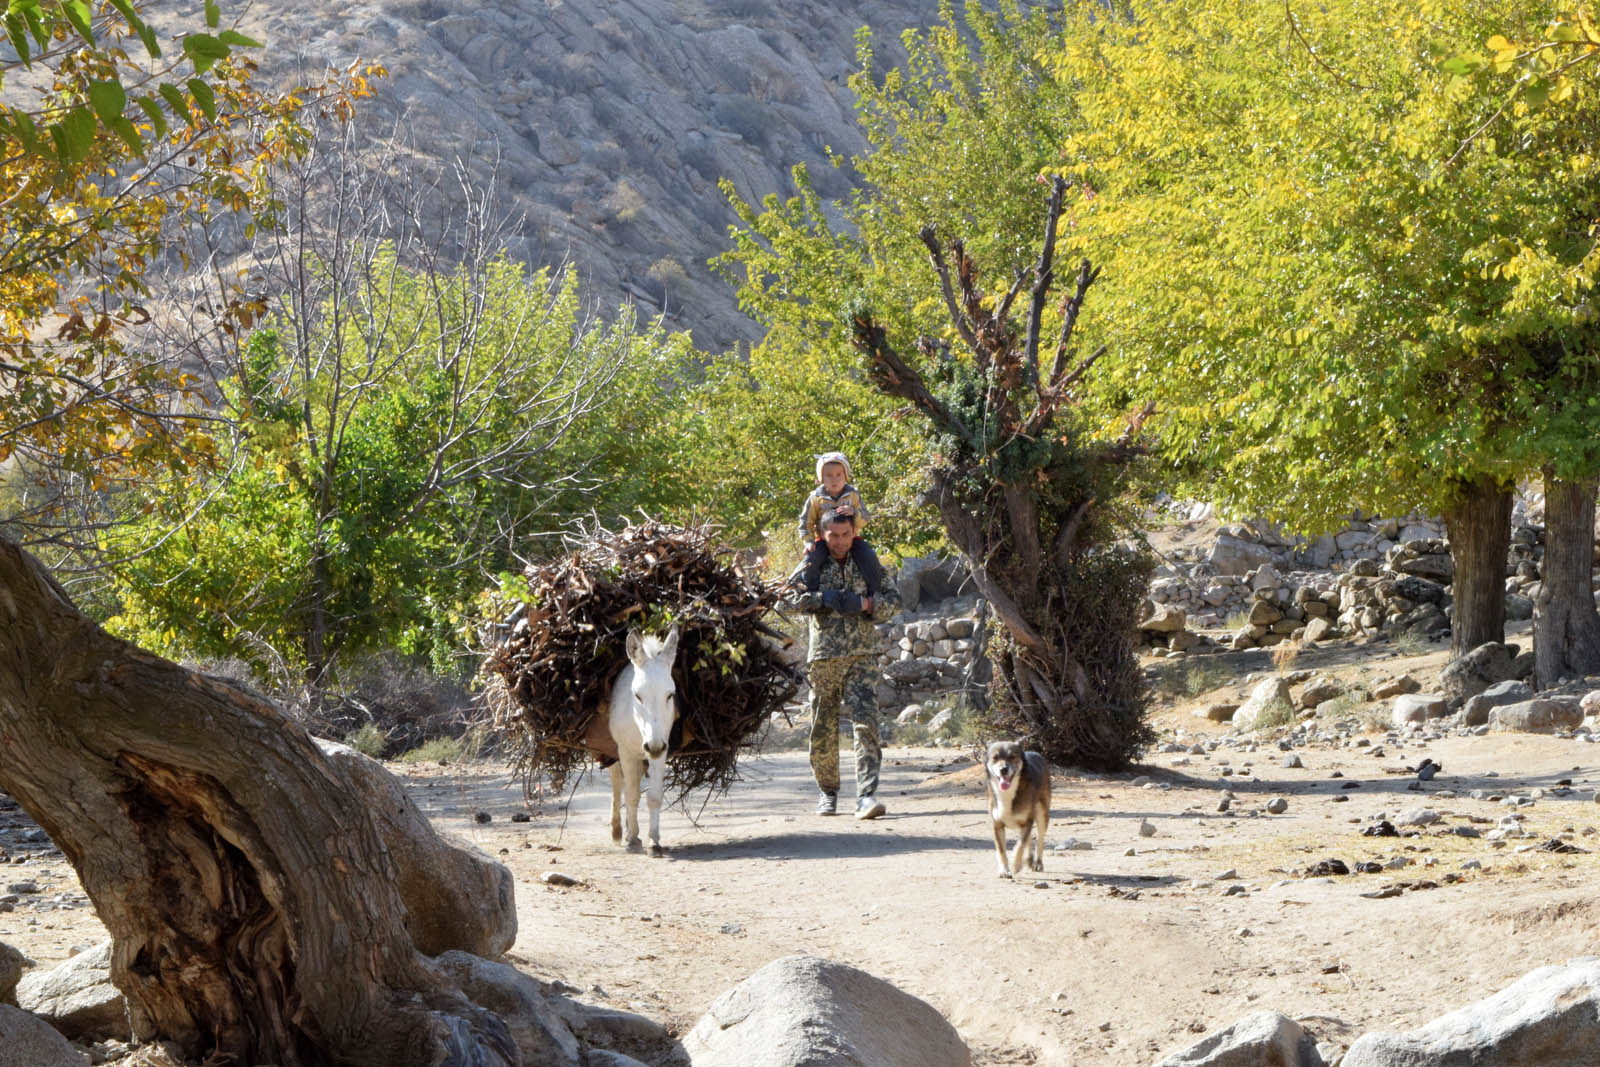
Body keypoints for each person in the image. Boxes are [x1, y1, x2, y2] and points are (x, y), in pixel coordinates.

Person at [793, 509, 895, 819]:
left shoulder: (866, 563)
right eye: (833, 536)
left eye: (845, 535)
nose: (840, 541)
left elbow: (894, 600)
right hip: (824, 656)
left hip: (862, 654)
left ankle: (866, 795)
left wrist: (866, 604)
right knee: (823, 727)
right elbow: (789, 599)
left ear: (854, 534)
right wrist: (825, 598)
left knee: (866, 724)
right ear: (822, 535)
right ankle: (828, 793)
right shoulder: (813, 562)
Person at [797, 451, 868, 546]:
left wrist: (854, 512)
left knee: (867, 555)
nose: (834, 479)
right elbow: (806, 522)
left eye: (839, 475)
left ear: (846, 476)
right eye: (829, 475)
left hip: (851, 541)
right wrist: (809, 542)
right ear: (821, 478)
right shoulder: (816, 498)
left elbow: (865, 519)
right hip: (823, 542)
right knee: (811, 559)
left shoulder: (853, 495)